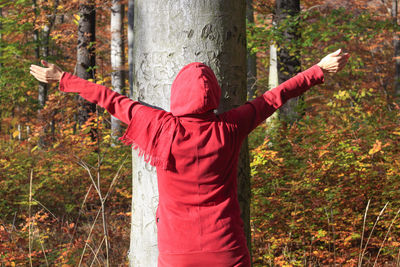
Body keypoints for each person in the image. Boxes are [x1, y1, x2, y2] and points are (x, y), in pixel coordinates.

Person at [30, 49, 349, 267]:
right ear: (214, 94)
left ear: (176, 94)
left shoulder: (158, 126)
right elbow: (273, 97)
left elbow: (111, 100)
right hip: (227, 251)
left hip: (176, 254)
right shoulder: (231, 126)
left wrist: (64, 79)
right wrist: (317, 70)